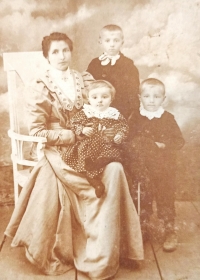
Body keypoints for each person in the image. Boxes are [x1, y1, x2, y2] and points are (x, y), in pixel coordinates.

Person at [3, 32, 143, 279]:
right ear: (46, 56)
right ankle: (81, 248)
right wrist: (71, 135)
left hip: (92, 145)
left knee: (115, 169)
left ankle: (112, 250)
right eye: (55, 52)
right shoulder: (39, 88)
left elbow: (102, 108)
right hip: (59, 149)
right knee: (79, 180)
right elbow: (37, 130)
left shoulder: (85, 80)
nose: (61, 56)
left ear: (71, 51)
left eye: (65, 50)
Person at [127, 78, 185, 252]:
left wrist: (163, 145)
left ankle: (169, 230)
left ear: (163, 99)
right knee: (141, 197)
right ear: (140, 97)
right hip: (142, 169)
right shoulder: (136, 117)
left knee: (165, 197)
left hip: (163, 168)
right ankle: (143, 229)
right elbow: (128, 140)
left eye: (156, 96)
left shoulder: (167, 118)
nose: (151, 100)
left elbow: (178, 140)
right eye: (147, 96)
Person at [62, 80, 129, 198]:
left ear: (111, 99)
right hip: (89, 144)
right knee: (84, 154)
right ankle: (95, 182)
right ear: (89, 99)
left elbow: (123, 126)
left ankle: (99, 163)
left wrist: (119, 135)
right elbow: (72, 123)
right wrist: (82, 129)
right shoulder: (86, 113)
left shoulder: (114, 114)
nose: (100, 100)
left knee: (114, 152)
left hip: (107, 144)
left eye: (104, 97)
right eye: (95, 97)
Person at [85, 24, 140, 120]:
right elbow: (88, 87)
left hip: (122, 112)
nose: (112, 44)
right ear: (100, 42)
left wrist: (131, 114)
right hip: (98, 110)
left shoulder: (128, 65)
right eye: (107, 41)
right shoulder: (94, 64)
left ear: (122, 42)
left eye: (116, 40)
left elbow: (134, 93)